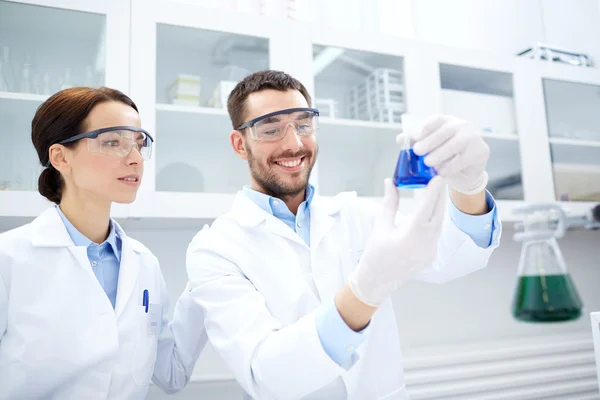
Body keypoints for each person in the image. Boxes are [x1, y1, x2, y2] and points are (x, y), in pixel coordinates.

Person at [185, 70, 502, 399]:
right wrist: (365, 291)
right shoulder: (214, 250)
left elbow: (454, 259)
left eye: (303, 124)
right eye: (271, 129)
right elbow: (267, 373)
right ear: (240, 144)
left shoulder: (356, 215)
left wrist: (469, 185)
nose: (293, 143)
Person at [0, 87, 207, 399]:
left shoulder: (143, 263)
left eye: (139, 144)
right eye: (113, 142)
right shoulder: (9, 258)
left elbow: (171, 374)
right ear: (60, 157)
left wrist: (208, 280)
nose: (136, 159)